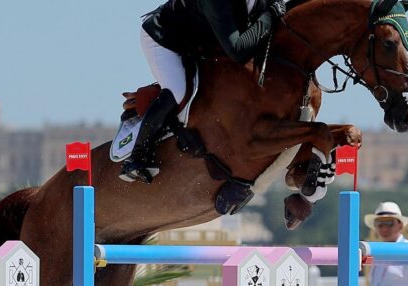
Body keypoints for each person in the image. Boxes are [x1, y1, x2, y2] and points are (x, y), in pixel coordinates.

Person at [119, 0, 287, 183]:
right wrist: (271, 15)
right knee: (178, 91)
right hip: (164, 40)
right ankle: (138, 156)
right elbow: (239, 51)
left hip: (200, 41)